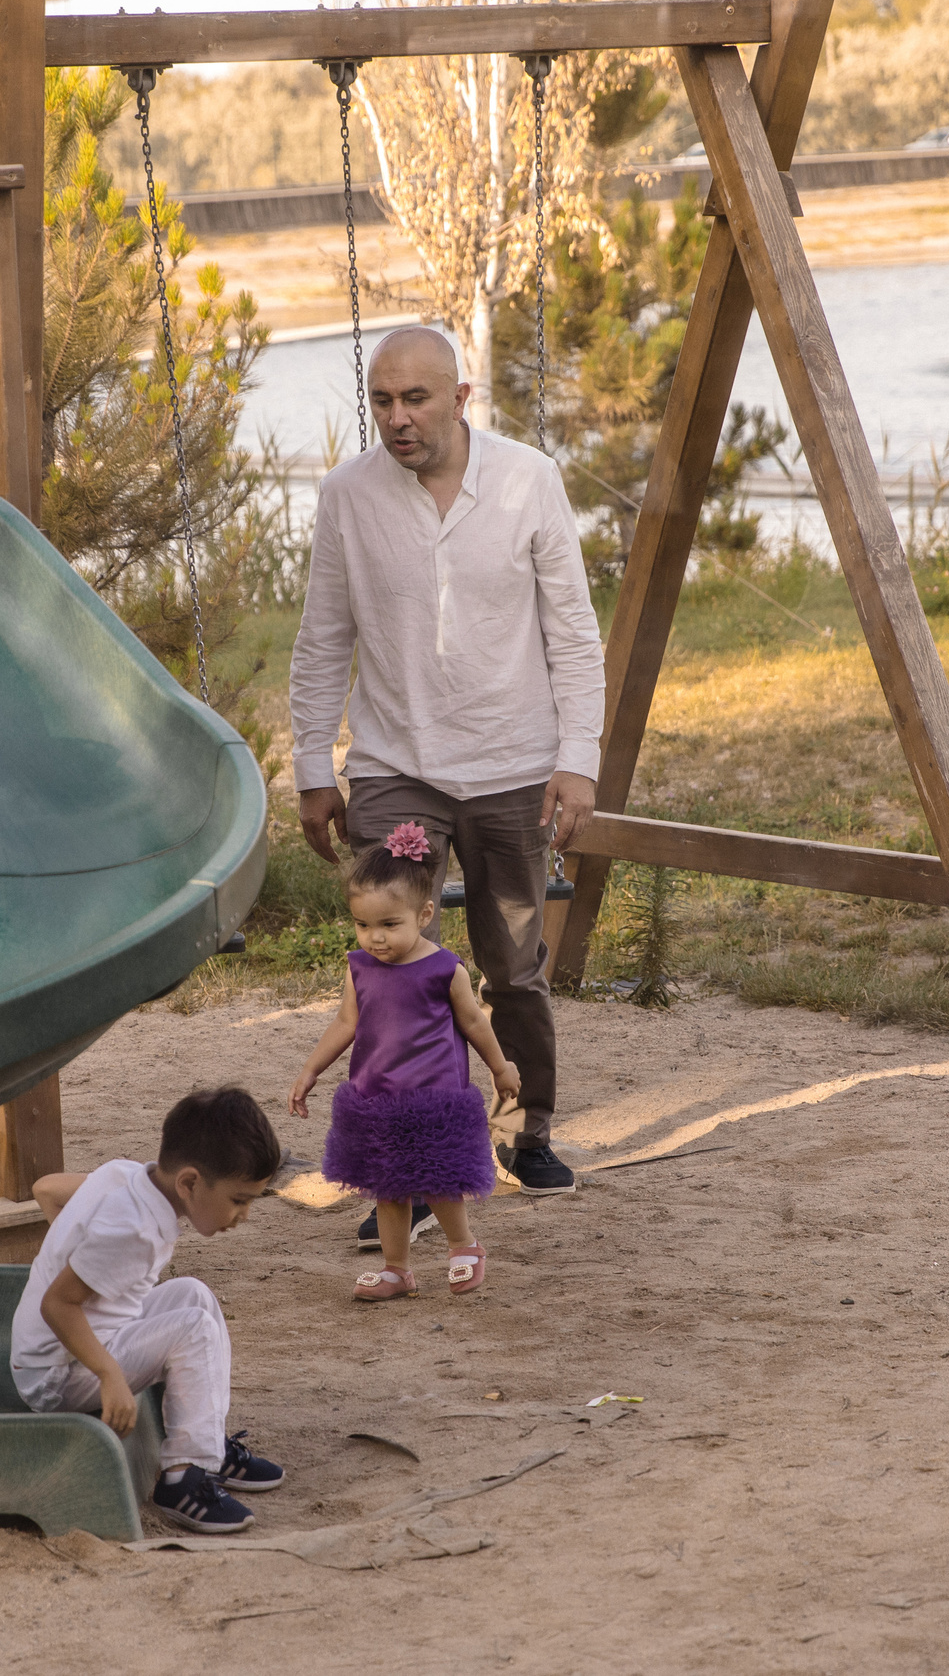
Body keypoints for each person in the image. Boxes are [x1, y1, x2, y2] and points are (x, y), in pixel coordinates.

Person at [289, 325, 603, 1246]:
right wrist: (314, 766)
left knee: (511, 967)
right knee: (394, 968)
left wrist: (575, 757)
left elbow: (573, 631)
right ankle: (413, 1173)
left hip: (512, 763)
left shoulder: (528, 479)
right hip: (394, 763)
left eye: (415, 399)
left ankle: (529, 1127)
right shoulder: (349, 496)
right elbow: (322, 636)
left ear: (460, 397)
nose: (396, 418)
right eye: (381, 401)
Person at [13, 1087, 288, 1533]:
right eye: (239, 1200)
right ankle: (182, 1479)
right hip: (56, 1376)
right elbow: (56, 1304)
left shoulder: (125, 1175)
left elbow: (47, 1189)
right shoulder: (133, 1232)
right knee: (192, 1328)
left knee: (193, 1295)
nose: (244, 1216)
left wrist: (77, 1247)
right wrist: (109, 1374)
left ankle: (206, 1441)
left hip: (80, 1342)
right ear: (190, 1183)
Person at [289, 822, 522, 1301]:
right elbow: (344, 1024)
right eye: (363, 924)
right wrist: (311, 1070)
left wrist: (501, 1067)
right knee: (388, 1188)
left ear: (425, 913)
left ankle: (465, 1247)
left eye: (389, 924)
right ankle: (398, 1269)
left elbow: (476, 1023)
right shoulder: (360, 968)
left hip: (434, 1097)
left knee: (440, 1180)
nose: (375, 937)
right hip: (376, 1096)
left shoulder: (444, 968)